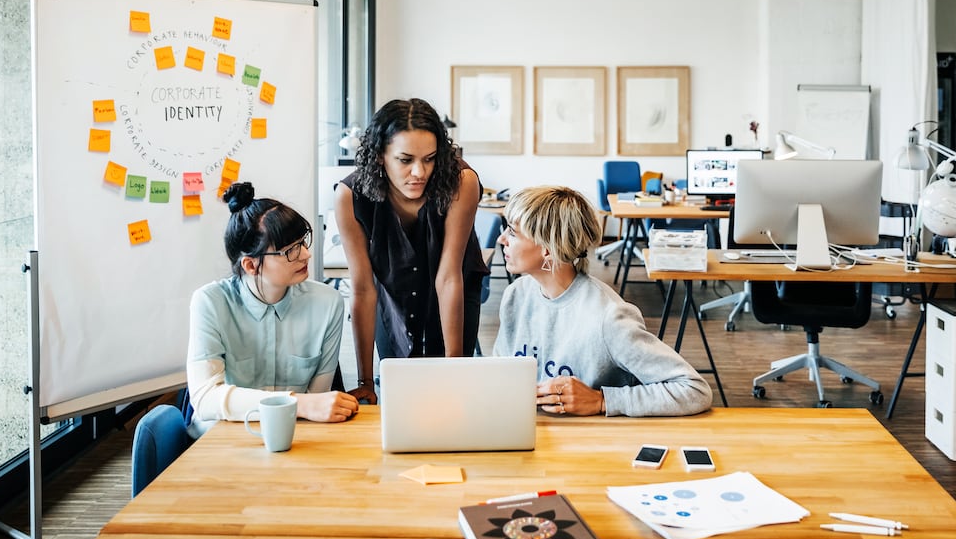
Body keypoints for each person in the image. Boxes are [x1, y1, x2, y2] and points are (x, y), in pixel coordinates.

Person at [493, 185, 712, 417]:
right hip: (526, 428)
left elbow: (694, 390)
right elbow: (498, 371)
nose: (501, 239)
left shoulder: (609, 317)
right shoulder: (515, 295)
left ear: (548, 248)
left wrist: (601, 400)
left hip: (588, 443)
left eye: (513, 232)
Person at [334, 98, 489, 404]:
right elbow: (363, 290)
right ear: (380, 156)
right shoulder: (350, 197)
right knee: (400, 389)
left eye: (429, 159)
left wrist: (454, 368)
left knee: (448, 397)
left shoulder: (461, 182)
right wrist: (365, 382)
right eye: (405, 160)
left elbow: (449, 277)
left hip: (454, 285)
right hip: (390, 292)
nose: (419, 172)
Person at [187, 181, 359, 436]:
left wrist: (306, 406)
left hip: (296, 437)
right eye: (290, 250)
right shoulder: (210, 302)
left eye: (303, 242)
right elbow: (205, 399)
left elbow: (319, 402)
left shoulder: (327, 303)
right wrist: (298, 403)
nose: (305, 255)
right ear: (250, 265)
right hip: (223, 438)